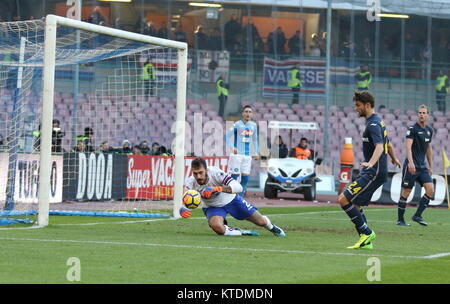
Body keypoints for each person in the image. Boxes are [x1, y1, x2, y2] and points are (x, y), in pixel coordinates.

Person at [338, 91, 401, 250]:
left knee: (343, 199)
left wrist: (371, 163)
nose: (356, 108)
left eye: (358, 105)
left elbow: (380, 146)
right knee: (357, 205)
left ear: (367, 105)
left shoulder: (373, 124)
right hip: (376, 171)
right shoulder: (377, 121)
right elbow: (389, 144)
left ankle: (366, 232)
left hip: (374, 171)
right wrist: (394, 158)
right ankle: (366, 241)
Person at [179, 157, 285, 238]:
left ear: (206, 170)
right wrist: (184, 208)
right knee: (217, 228)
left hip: (231, 200)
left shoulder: (216, 173)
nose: (198, 176)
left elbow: (238, 187)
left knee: (261, 222)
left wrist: (217, 189)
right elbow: (186, 197)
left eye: (201, 173)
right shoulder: (190, 182)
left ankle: (272, 227)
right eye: (195, 173)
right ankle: (239, 232)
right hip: (213, 207)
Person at [397, 105, 434, 226]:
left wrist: (431, 166)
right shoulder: (412, 129)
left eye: (424, 113)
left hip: (422, 167)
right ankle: (400, 220)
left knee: (430, 189)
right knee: (406, 191)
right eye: (420, 113)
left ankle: (417, 215)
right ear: (418, 114)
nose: (422, 114)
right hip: (411, 166)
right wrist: (411, 162)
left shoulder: (429, 130)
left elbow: (428, 148)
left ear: (428, 114)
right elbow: (408, 146)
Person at [225, 105, 259, 197]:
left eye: (250, 112)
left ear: (252, 114)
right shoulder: (237, 124)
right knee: (234, 177)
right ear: (242, 113)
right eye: (246, 111)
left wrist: (256, 151)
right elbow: (227, 137)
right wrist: (232, 147)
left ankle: (240, 197)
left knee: (245, 178)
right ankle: (231, 197)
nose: (248, 114)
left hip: (247, 155)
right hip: (237, 155)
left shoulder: (254, 125)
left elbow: (255, 140)